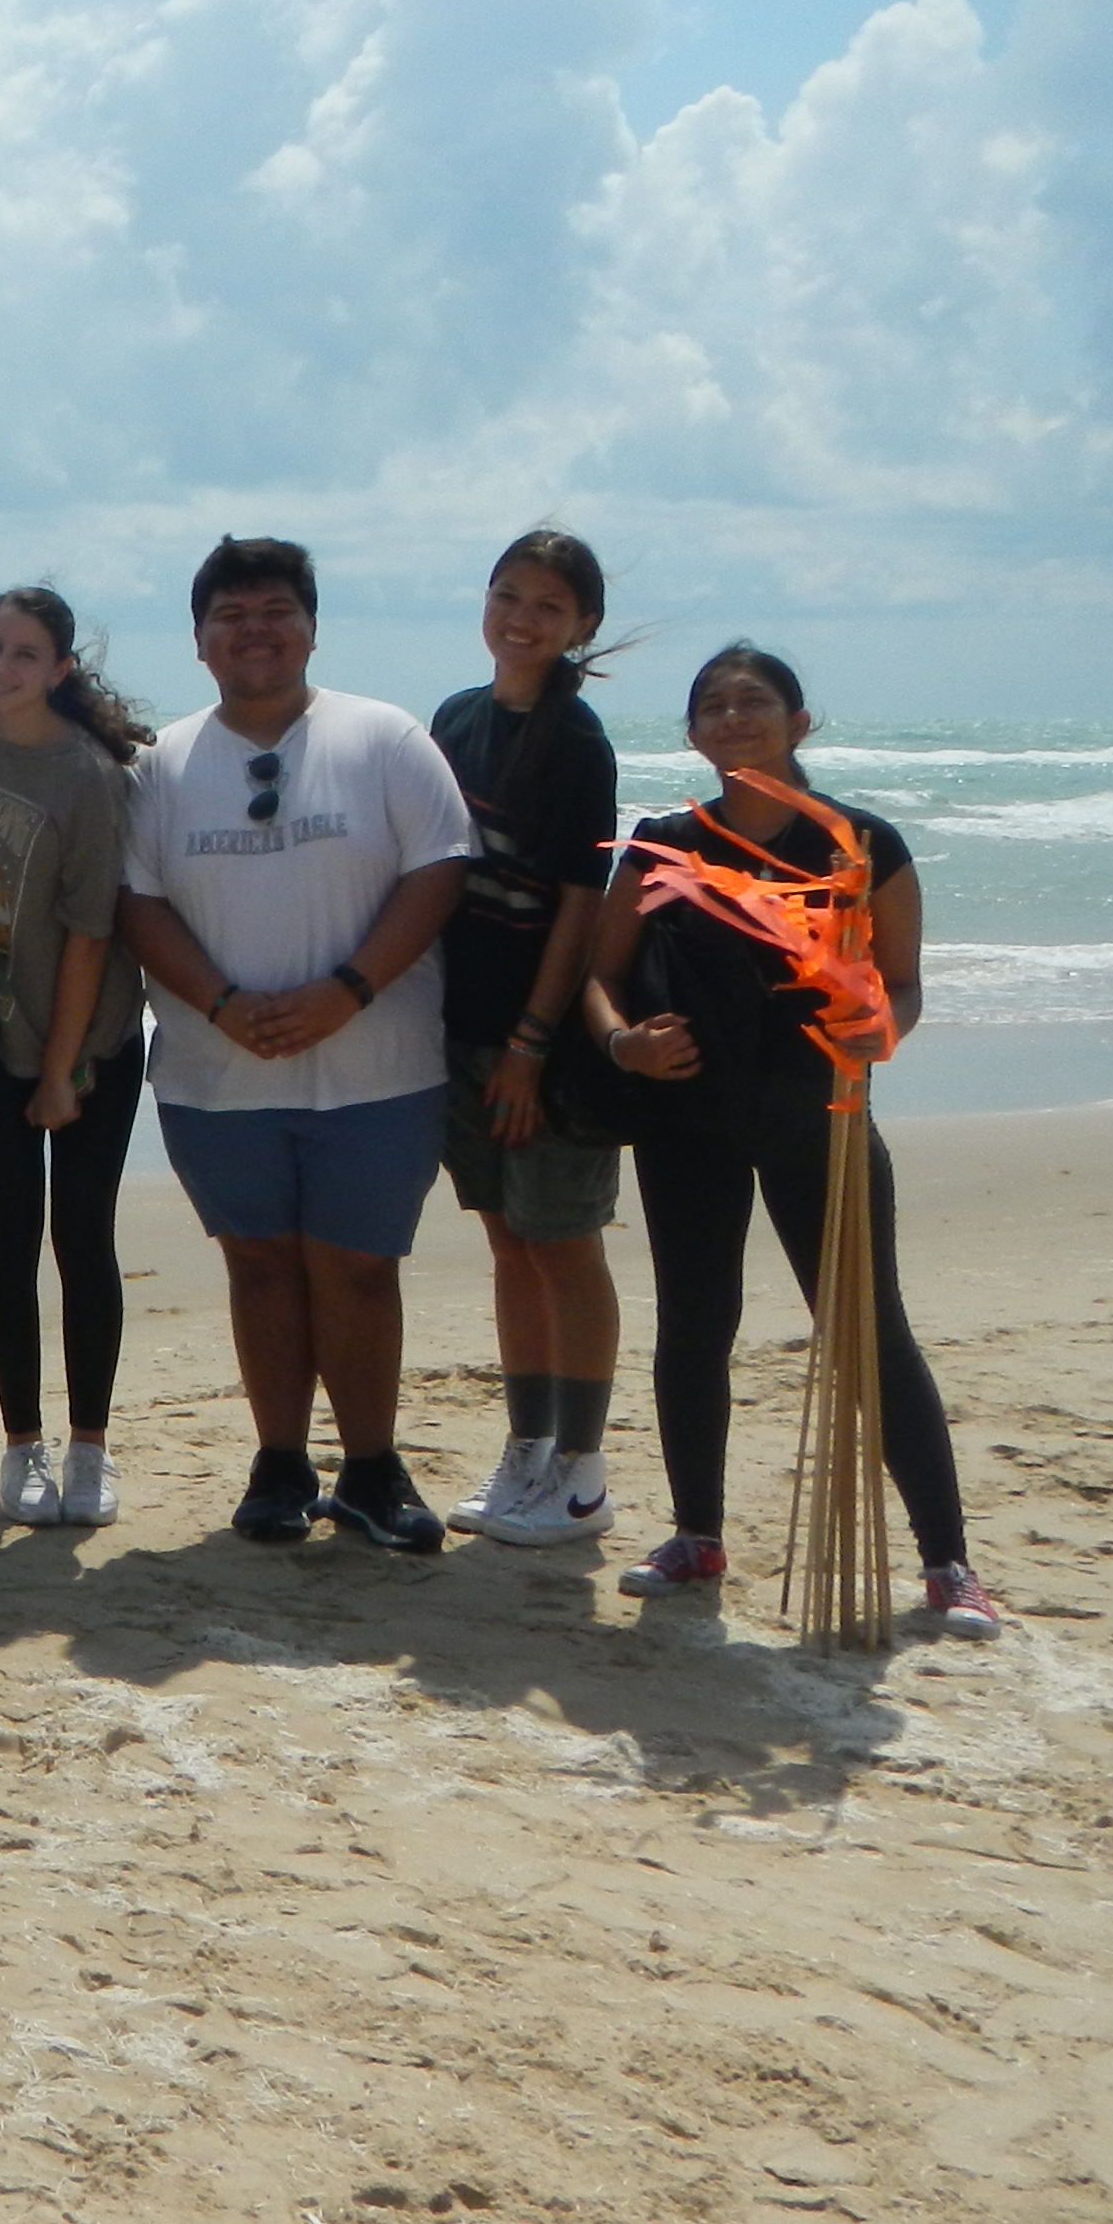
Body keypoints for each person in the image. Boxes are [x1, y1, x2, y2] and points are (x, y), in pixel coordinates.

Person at [580, 646, 1006, 1636]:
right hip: (689, 1117)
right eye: (713, 708)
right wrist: (621, 1044)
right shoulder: (661, 846)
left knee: (864, 1333)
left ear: (797, 722)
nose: (733, 718)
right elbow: (601, 976)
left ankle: (947, 1563)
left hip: (820, 1117)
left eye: (753, 703)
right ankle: (696, 1537)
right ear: (691, 735)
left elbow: (901, 985)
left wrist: (882, 1029)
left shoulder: (860, 844)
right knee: (693, 1322)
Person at [113, 537, 474, 1552]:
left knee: (358, 1267)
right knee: (259, 1264)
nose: (255, 631)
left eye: (276, 609)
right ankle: (278, 1462)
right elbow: (136, 903)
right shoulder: (162, 763)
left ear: (311, 627)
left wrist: (345, 991)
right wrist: (223, 1003)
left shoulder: (385, 737)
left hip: (380, 1062)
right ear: (197, 641)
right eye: (230, 616)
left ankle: (370, 1468)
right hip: (213, 1067)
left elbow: (438, 872)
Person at [427, 531, 627, 1547]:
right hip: (457, 1029)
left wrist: (532, 1044)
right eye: (507, 596)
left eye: (547, 606)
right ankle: (527, 1451)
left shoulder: (578, 742)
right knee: (509, 1243)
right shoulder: (455, 720)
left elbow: (578, 907)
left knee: (562, 1245)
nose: (521, 618)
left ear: (579, 625)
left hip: (534, 1047)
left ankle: (583, 1475)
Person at [0, 586, 153, 1527]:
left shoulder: (91, 776)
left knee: (83, 1237)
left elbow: (90, 935)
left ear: (61, 670)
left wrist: (62, 1070)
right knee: (7, 1237)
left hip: (93, 1044)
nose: (2, 667)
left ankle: (90, 1450)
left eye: (25, 654)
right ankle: (20, 1444)